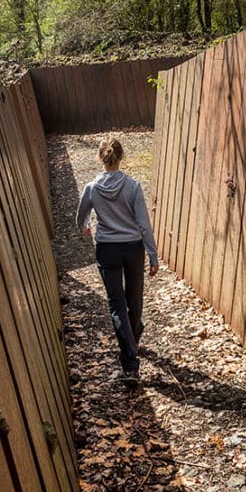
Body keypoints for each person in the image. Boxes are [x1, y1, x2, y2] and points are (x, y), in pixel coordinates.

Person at [76, 137, 159, 383]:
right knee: (134, 300)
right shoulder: (132, 186)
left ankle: (130, 363)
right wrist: (152, 255)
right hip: (133, 248)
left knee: (117, 305)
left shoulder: (91, 188)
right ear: (121, 158)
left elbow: (81, 218)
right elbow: (143, 224)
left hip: (107, 249)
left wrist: (86, 227)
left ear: (100, 158)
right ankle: (131, 347)